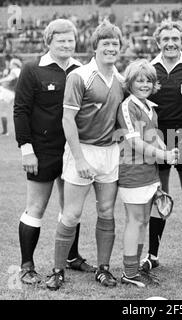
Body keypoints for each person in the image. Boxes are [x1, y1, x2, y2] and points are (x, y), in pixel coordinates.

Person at [13, 19, 95, 286]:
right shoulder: (32, 70)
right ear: (48, 41)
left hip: (74, 149)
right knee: (35, 208)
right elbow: (21, 111)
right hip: (43, 151)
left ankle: (71, 257)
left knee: (71, 208)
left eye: (70, 40)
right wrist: (26, 149)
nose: (66, 45)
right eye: (61, 40)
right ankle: (27, 265)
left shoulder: (81, 70)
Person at [46, 20, 124, 291]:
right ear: (95, 48)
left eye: (115, 44)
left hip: (109, 155)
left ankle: (103, 269)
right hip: (82, 151)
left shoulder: (120, 80)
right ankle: (57, 270)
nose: (111, 48)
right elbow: (68, 120)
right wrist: (79, 159)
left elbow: (120, 117)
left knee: (106, 211)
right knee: (71, 214)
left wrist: (122, 132)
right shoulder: (79, 76)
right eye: (106, 44)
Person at [141, 20, 182, 276]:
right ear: (158, 42)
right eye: (166, 39)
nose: (171, 43)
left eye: (176, 39)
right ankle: (153, 256)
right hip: (156, 142)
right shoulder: (149, 69)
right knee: (159, 198)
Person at [116, 59, 178, 288]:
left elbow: (153, 136)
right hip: (132, 171)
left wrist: (167, 150)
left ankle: (135, 270)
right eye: (139, 80)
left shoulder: (149, 106)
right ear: (130, 83)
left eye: (148, 81)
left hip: (149, 172)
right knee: (135, 220)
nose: (144, 84)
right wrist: (164, 157)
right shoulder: (128, 105)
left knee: (142, 221)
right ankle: (129, 273)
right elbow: (134, 142)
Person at [0, 57, 22, 136]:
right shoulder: (18, 71)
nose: (10, 65)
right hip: (9, 92)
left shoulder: (15, 70)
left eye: (11, 63)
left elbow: (10, 78)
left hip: (7, 92)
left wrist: (2, 80)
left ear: (15, 65)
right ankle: (5, 131)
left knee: (3, 111)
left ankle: (5, 131)